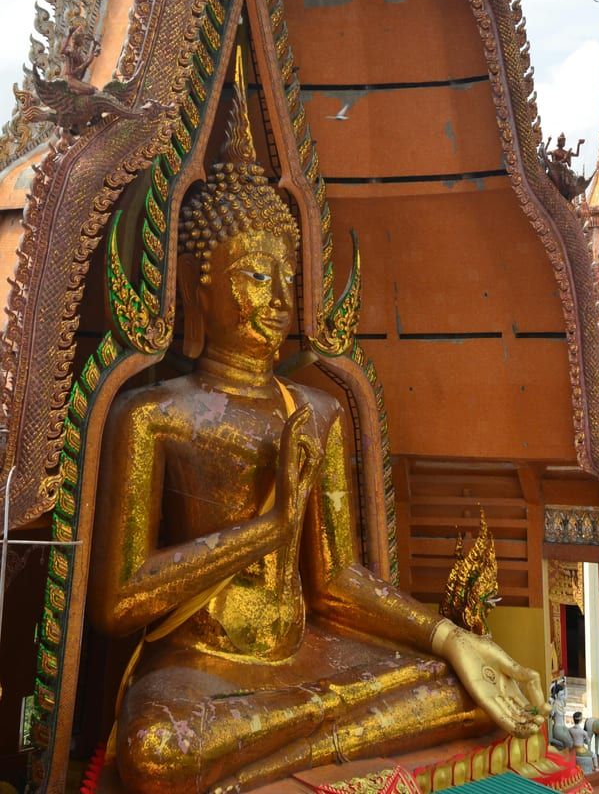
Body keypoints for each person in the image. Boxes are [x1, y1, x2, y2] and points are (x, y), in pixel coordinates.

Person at [89, 77, 550, 794]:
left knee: (474, 685)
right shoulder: (154, 415)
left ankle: (277, 750)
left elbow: (334, 584)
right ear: (193, 287)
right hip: (196, 668)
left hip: (308, 659)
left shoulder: (315, 411)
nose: (277, 302)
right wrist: (267, 527)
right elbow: (119, 605)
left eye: (285, 279)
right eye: (252, 276)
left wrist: (449, 637)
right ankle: (297, 741)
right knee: (157, 751)